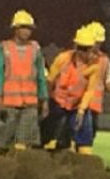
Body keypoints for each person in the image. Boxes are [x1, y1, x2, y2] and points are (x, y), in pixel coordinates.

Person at [0, 9, 48, 154]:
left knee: (24, 142)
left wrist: (44, 100)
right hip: (9, 103)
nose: (27, 31)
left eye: (29, 28)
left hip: (30, 103)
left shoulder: (35, 49)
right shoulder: (3, 48)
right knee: (3, 140)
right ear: (15, 29)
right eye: (23, 27)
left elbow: (40, 75)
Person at [41, 23, 105, 154]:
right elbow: (50, 81)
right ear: (76, 47)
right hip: (58, 103)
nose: (84, 52)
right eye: (82, 48)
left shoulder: (94, 66)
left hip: (77, 106)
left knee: (84, 138)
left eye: (87, 48)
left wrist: (81, 110)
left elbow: (90, 90)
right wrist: (45, 102)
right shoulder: (63, 59)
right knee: (47, 134)